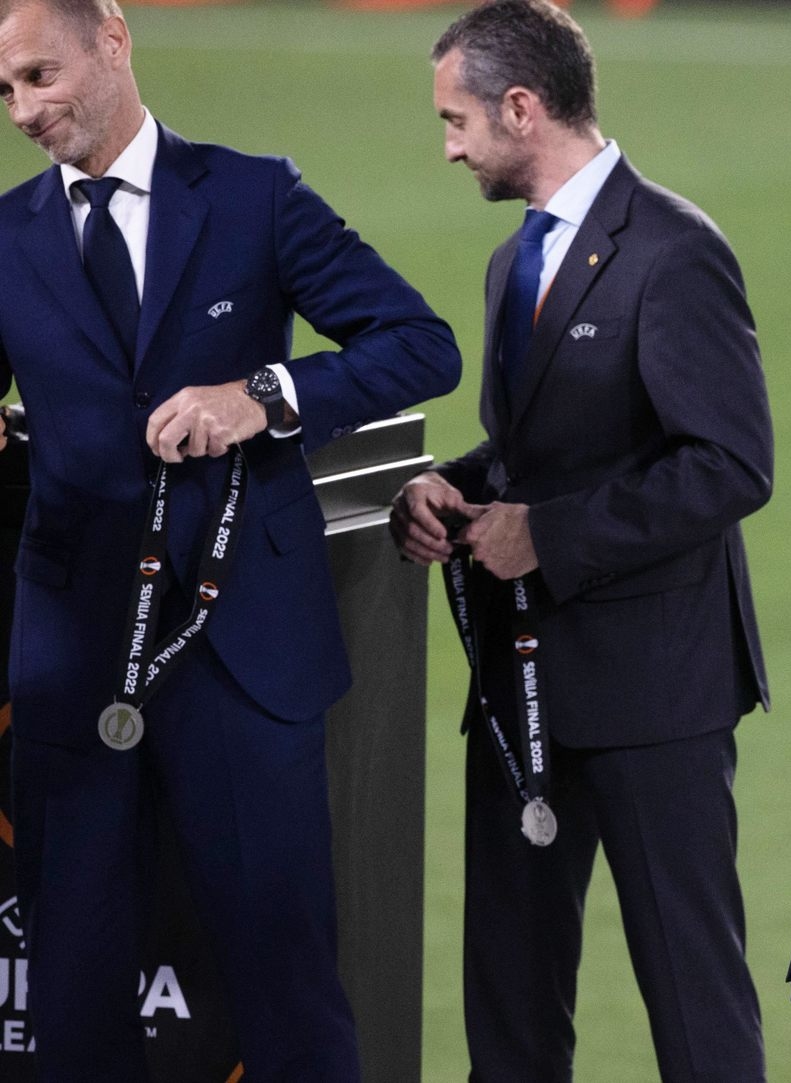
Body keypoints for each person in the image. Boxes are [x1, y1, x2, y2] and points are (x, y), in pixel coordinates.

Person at [0, 0, 460, 1077]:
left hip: (242, 647)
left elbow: (419, 344)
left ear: (113, 39)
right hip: (74, 660)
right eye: (6, 89)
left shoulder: (256, 197)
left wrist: (268, 393)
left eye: (40, 75)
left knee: (285, 978)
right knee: (70, 992)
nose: (22, 109)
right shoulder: (7, 236)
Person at [387, 3, 772, 1080]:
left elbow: (731, 464)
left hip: (656, 702)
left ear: (523, 106)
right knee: (507, 1014)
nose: (449, 144)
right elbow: (532, 451)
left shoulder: (677, 252)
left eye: (458, 118)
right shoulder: (516, 262)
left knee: (696, 1017)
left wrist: (547, 536)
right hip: (523, 692)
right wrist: (451, 488)